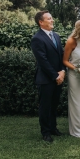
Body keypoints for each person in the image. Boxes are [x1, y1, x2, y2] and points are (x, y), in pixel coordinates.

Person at [31, 10, 65, 143]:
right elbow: (42, 61)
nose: (52, 20)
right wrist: (55, 75)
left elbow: (61, 55)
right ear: (41, 22)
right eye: (49, 18)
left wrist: (62, 71)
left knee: (54, 104)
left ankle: (53, 128)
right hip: (46, 79)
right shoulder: (37, 38)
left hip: (59, 77)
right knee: (45, 106)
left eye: (51, 18)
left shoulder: (56, 36)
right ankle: (45, 132)